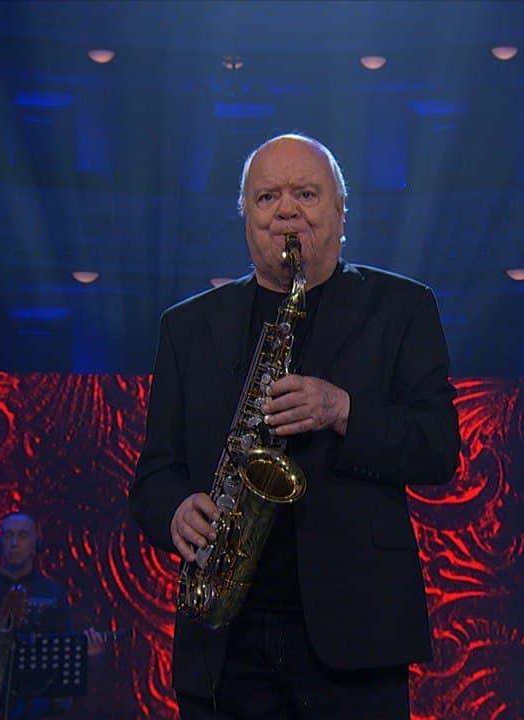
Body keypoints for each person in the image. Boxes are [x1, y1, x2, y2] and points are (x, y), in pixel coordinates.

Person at [129, 132, 461, 719]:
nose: (286, 210)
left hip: (357, 640)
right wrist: (176, 510)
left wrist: (344, 411)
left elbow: (438, 447)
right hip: (224, 642)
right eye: (267, 197)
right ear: (246, 217)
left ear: (340, 210)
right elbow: (155, 473)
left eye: (306, 194)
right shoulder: (186, 327)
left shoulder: (402, 308)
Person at [0, 511, 107, 720]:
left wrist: (91, 657)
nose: (14, 543)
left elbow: (66, 650)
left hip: (35, 689)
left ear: (35, 545)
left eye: (22, 536)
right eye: (8, 536)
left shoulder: (51, 592)